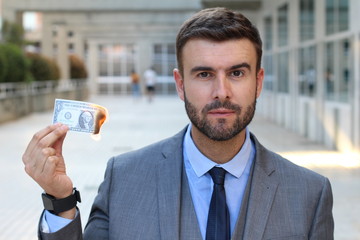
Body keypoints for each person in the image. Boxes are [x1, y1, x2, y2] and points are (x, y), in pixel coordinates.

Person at [22, 7, 334, 240]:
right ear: (180, 84)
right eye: (204, 74)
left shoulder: (309, 193)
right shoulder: (124, 177)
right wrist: (60, 200)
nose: (221, 92)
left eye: (237, 73)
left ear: (259, 82)